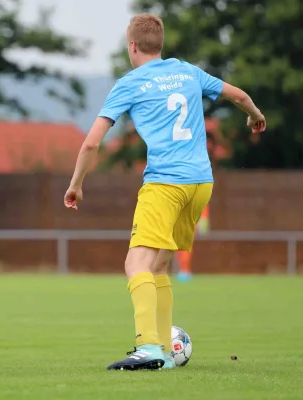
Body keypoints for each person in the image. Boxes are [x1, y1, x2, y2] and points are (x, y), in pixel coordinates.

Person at [64, 14, 266, 371]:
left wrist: (76, 184)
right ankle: (167, 353)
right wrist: (254, 115)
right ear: (160, 44)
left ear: (132, 46)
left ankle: (148, 347)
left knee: (135, 263)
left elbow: (92, 144)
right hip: (201, 183)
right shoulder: (188, 72)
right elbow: (240, 95)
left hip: (165, 184)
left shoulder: (130, 83)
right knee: (159, 265)